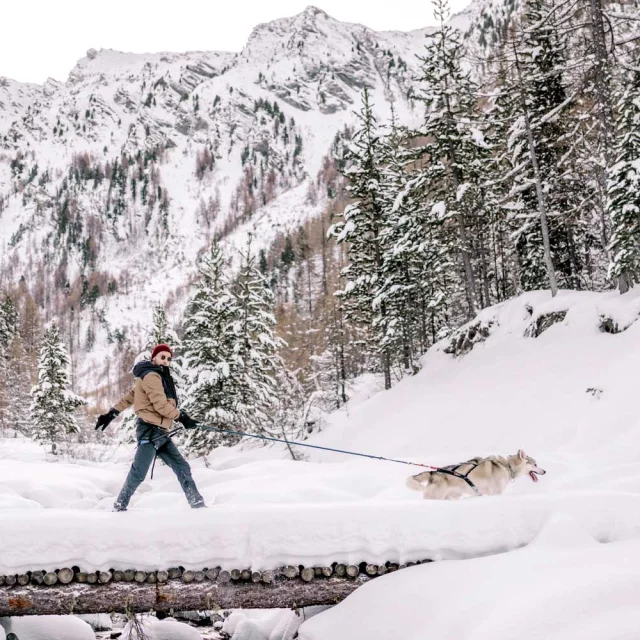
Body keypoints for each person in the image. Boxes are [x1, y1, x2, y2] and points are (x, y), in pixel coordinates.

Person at [95, 343, 205, 511]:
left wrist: (111, 414)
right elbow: (161, 405)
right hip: (149, 431)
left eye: (169, 359)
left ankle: (197, 504)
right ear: (154, 358)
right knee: (138, 473)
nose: (166, 361)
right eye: (162, 357)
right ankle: (119, 507)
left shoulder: (153, 376)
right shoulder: (152, 376)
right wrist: (181, 417)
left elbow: (130, 397)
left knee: (182, 467)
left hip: (161, 433)